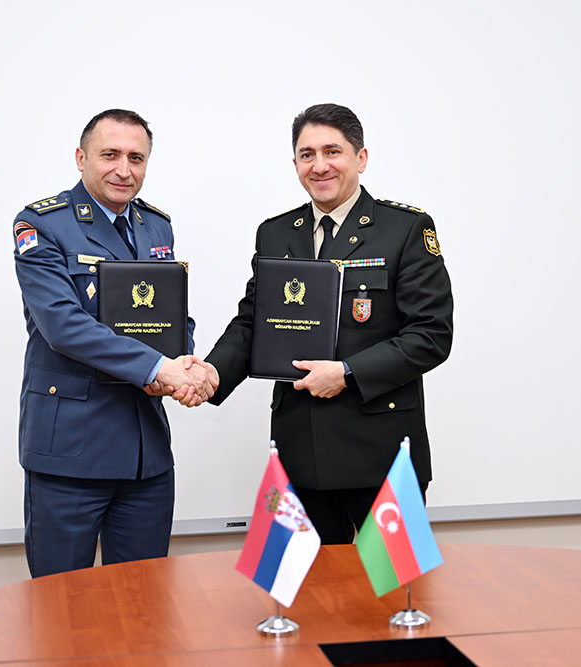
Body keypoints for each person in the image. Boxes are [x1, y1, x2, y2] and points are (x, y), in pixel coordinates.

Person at [188, 103, 454, 544]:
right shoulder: (276, 233)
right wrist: (212, 374)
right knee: (308, 585)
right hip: (300, 452)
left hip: (382, 457)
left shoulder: (405, 229)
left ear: (360, 158)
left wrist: (346, 373)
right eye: (307, 154)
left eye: (333, 151)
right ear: (295, 164)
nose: (319, 165)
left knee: (392, 582)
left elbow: (431, 335)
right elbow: (253, 322)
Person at [12, 109, 215, 577]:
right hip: (70, 453)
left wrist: (183, 364)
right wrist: (159, 368)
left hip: (145, 454)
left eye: (136, 158)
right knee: (62, 602)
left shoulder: (155, 226)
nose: (124, 169)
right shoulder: (42, 224)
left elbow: (170, 316)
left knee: (144, 600)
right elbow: (63, 325)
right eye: (110, 155)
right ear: (81, 158)